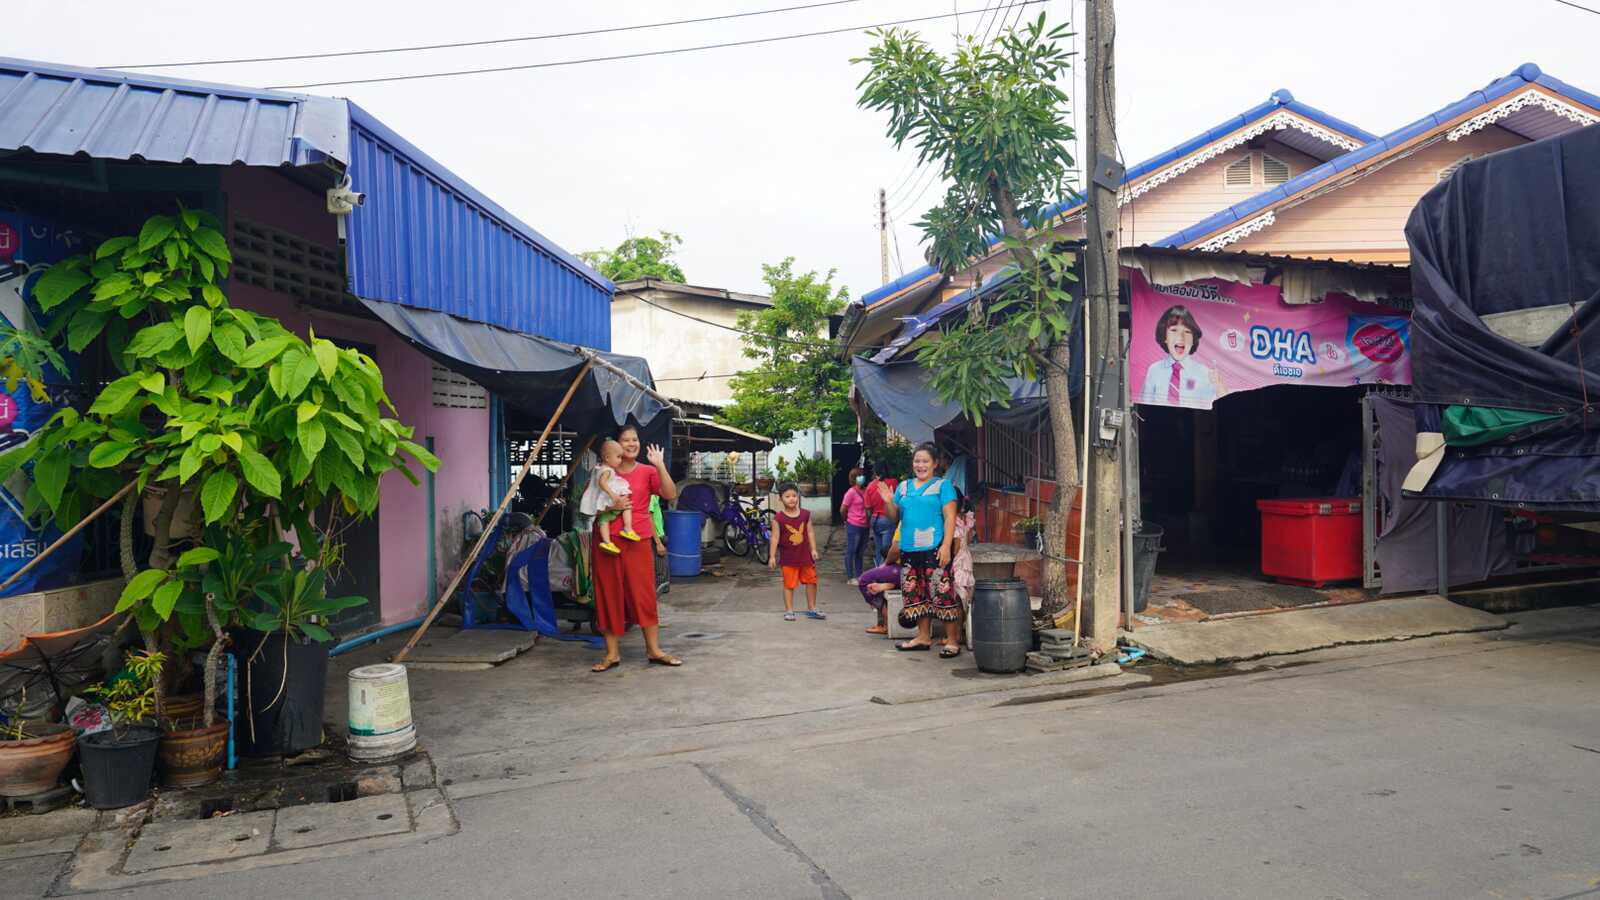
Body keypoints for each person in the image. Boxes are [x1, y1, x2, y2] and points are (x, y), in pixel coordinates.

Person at [590, 425, 682, 672]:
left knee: (643, 593)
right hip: (607, 540)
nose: (632, 444)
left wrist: (660, 465)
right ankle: (612, 654)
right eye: (626, 440)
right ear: (615, 446)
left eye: (635, 440)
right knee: (608, 592)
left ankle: (653, 650)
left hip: (637, 538)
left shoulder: (647, 471)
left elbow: (670, 494)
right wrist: (611, 507)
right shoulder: (603, 472)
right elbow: (589, 505)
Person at [878, 442, 962, 657]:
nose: (920, 465)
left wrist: (946, 546)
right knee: (915, 595)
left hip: (935, 549)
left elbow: (950, 517)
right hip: (909, 549)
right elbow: (893, 517)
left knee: (942, 594)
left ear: (934, 464)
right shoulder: (904, 487)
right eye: (917, 461)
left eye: (925, 461)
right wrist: (888, 501)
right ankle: (923, 637)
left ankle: (952, 640)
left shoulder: (943, 486)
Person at [1137, 304, 1225, 408]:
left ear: (1193, 340)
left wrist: (1219, 386)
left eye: (1187, 332)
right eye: (1174, 330)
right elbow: (1144, 405)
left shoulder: (1206, 373)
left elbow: (1222, 406)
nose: (1180, 337)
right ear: (1164, 336)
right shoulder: (1154, 370)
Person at [769, 482, 825, 621]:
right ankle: (789, 610)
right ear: (780, 499)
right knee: (789, 584)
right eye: (787, 496)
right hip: (789, 558)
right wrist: (772, 556)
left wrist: (813, 549)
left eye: (794, 495)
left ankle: (812, 608)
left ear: (798, 496)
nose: (792, 499)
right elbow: (774, 538)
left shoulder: (805, 515)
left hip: (805, 556)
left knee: (812, 581)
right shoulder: (778, 519)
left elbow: (810, 532)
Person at [579, 439, 642, 555]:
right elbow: (602, 483)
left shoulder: (597, 468)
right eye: (618, 457)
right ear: (607, 458)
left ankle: (607, 542)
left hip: (600, 500)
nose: (620, 460)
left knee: (603, 519)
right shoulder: (607, 470)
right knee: (627, 506)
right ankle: (628, 528)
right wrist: (613, 495)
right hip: (608, 498)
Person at [858, 525, 901, 634]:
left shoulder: (906, 519)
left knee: (864, 580)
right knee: (880, 581)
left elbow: (896, 550)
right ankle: (889, 584)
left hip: (901, 567)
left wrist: (885, 564)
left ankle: (885, 621)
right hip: (912, 567)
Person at [840, 467, 870, 585]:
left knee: (860, 552)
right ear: (853, 479)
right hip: (854, 525)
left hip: (865, 525)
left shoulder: (866, 490)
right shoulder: (850, 493)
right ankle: (850, 577)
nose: (861, 478)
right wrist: (846, 520)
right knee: (851, 551)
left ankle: (859, 575)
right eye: (859, 476)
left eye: (862, 475)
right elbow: (843, 509)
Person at [865, 468, 898, 566]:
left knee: (879, 549)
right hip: (887, 519)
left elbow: (867, 507)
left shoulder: (871, 486)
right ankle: (883, 574)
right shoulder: (894, 483)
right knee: (887, 550)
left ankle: (878, 572)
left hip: (875, 519)